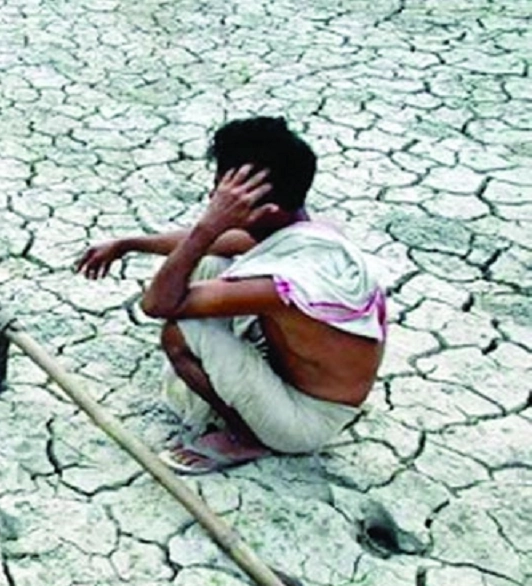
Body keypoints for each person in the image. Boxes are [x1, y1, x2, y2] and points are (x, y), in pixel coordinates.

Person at [75, 117, 386, 474]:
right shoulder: (304, 229)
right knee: (211, 263)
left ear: (266, 210)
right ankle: (242, 400)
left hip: (304, 421)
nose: (213, 199)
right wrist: (129, 244)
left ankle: (246, 437)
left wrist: (212, 223)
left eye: (224, 196)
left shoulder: (282, 285)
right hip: (302, 383)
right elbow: (218, 244)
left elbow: (156, 305)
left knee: (179, 332)